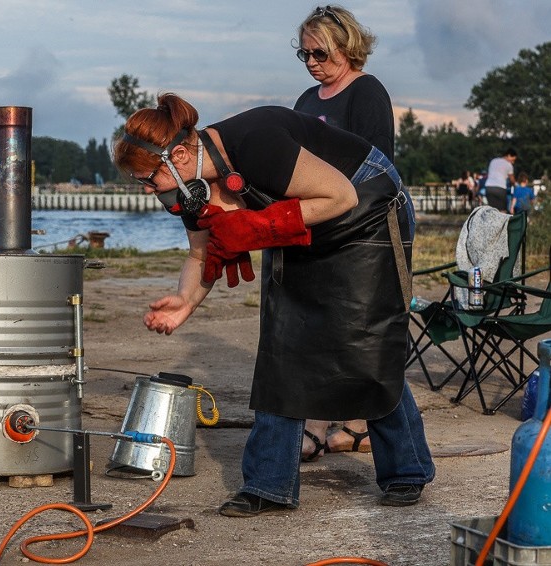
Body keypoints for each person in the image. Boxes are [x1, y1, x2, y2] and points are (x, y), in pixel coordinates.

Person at [114, 93, 435, 515]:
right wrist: (185, 301)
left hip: (368, 206)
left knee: (365, 341)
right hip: (307, 219)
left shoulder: (256, 143)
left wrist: (256, 226)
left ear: (176, 155)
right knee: (283, 340)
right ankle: (269, 483)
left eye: (148, 178)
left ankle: (406, 471)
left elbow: (340, 197)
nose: (147, 189)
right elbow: (199, 254)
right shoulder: (188, 190)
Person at [292, 4, 397, 459]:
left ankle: (354, 426)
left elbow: (377, 170)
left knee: (355, 335)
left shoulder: (367, 93)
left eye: (320, 52)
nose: (312, 61)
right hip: (313, 229)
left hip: (359, 232)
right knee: (313, 334)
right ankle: (321, 422)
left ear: (347, 46)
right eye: (304, 54)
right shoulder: (305, 101)